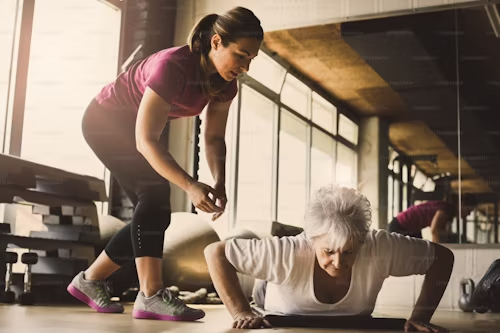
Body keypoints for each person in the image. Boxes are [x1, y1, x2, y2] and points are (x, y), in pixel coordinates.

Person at [66, 6, 263, 321]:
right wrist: (189, 185)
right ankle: (151, 295)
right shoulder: (173, 67)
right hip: (104, 121)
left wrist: (219, 182)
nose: (245, 66)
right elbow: (145, 140)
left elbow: (212, 139)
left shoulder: (226, 84)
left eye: (251, 59)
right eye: (240, 55)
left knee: (153, 214)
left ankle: (90, 280)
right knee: (156, 196)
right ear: (216, 43)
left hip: (135, 129)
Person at [204, 184, 454, 332]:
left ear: (362, 241)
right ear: (312, 240)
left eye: (348, 252)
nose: (338, 262)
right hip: (273, 296)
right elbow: (215, 253)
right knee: (263, 286)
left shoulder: (379, 246)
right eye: (328, 251)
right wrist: (240, 311)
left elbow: (442, 258)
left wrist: (421, 316)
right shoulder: (287, 252)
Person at [387, 193, 477, 243]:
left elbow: (439, 231)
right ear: (461, 204)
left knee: (420, 251)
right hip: (400, 227)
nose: (468, 214)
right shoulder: (447, 208)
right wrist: (438, 251)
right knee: (417, 254)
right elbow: (435, 230)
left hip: (409, 227)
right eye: (468, 210)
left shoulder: (448, 209)